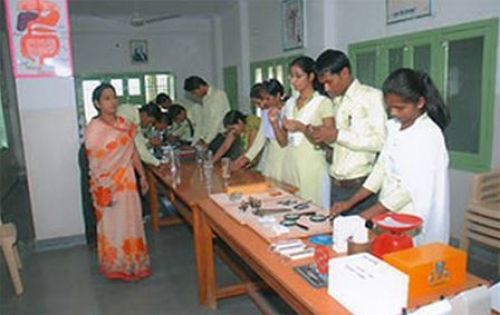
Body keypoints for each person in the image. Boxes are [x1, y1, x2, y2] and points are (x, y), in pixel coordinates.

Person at [332, 68, 451, 245]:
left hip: (414, 214)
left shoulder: (428, 135)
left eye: (400, 108)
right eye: (390, 108)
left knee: (411, 261)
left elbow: (407, 189)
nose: (394, 113)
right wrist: (349, 203)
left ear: (420, 102)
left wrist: (365, 215)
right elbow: (380, 169)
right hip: (390, 212)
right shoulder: (394, 128)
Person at [84, 83, 152, 280]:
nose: (112, 102)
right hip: (106, 186)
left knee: (132, 222)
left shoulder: (124, 124)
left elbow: (133, 152)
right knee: (113, 225)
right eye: (106, 98)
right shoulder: (94, 129)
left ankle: (134, 264)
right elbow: (95, 162)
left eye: (114, 97)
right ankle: (116, 265)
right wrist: (105, 185)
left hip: (127, 182)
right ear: (97, 103)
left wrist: (142, 176)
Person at [311, 49, 387, 214]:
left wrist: (338, 135)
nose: (326, 87)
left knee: (360, 237)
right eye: (323, 83)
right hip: (337, 185)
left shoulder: (372, 97)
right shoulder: (336, 101)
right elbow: (338, 143)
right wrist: (324, 135)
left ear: (345, 73)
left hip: (360, 187)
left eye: (329, 82)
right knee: (337, 235)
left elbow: (381, 142)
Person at [279, 56, 335, 208]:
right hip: (290, 164)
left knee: (312, 210)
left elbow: (329, 140)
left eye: (298, 76)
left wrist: (302, 128)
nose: (293, 81)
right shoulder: (289, 104)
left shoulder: (323, 103)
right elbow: (283, 142)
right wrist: (274, 124)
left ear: (310, 77)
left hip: (311, 166)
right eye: (291, 76)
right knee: (290, 209)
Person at [233, 80, 287, 181]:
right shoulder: (266, 112)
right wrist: (246, 158)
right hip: (272, 157)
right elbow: (260, 139)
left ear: (277, 96)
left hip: (285, 157)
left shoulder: (288, 109)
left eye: (266, 99)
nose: (262, 105)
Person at [183, 76, 230, 145]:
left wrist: (207, 141)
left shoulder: (218, 95)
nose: (195, 96)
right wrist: (202, 138)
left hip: (220, 136)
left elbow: (217, 121)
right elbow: (206, 122)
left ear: (201, 86)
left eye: (194, 92)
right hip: (211, 137)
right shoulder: (205, 99)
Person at [117, 102, 163, 167]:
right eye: (150, 122)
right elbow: (140, 150)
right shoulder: (128, 114)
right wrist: (158, 163)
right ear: (144, 114)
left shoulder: (135, 121)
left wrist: (149, 142)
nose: (149, 125)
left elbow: (139, 140)